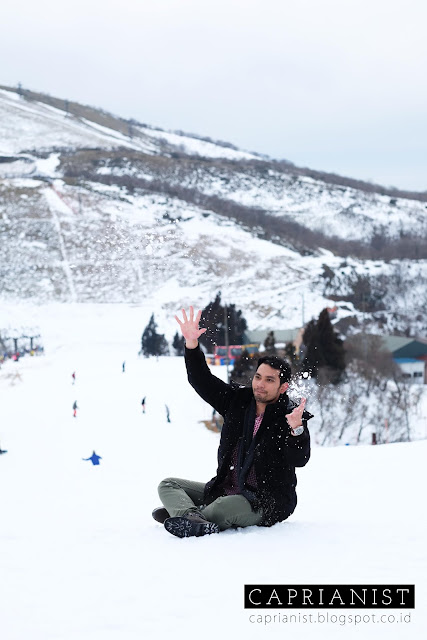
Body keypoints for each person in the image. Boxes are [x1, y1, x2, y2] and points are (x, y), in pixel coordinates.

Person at [153, 306, 312, 538]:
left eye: (269, 380)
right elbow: (201, 380)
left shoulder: (290, 416)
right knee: (168, 485)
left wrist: (296, 430)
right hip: (225, 488)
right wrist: (191, 345)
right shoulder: (237, 401)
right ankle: (191, 516)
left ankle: (187, 514)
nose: (260, 384)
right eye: (258, 377)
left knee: (224, 509)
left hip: (263, 501)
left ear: (283, 387)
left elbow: (300, 459)